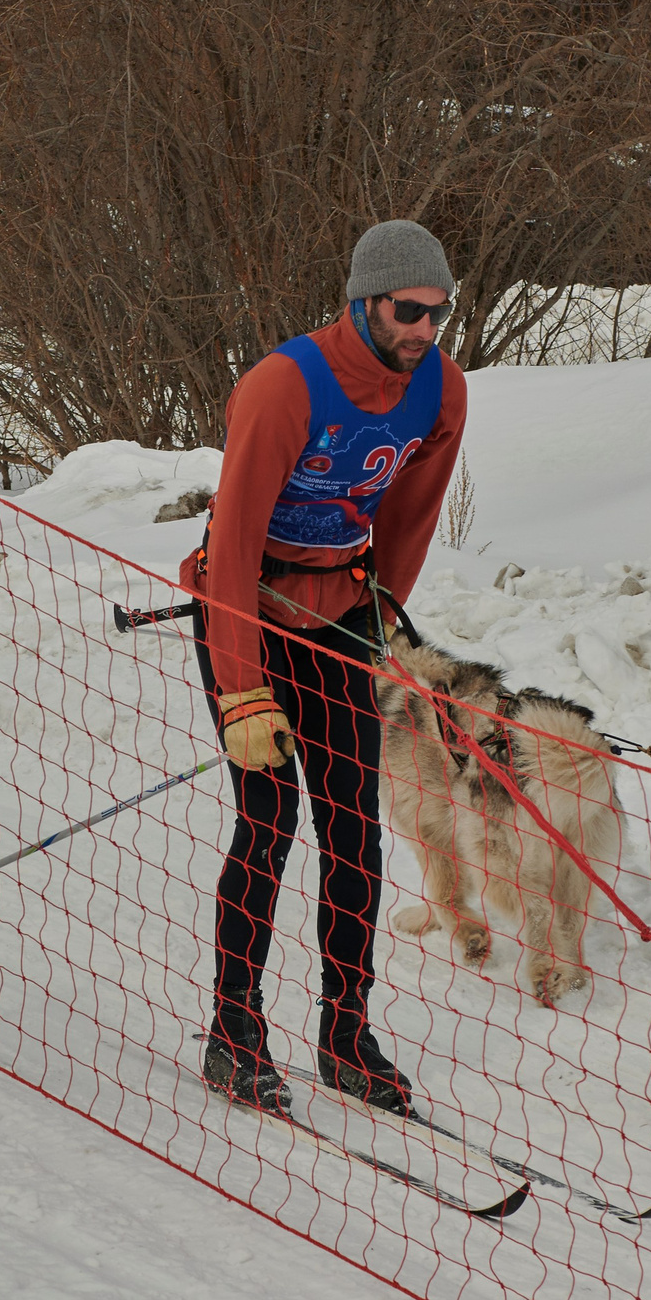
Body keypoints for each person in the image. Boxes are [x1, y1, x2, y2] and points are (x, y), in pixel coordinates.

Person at [187, 221, 468, 1116]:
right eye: (408, 310)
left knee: (354, 827)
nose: (425, 328)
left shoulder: (440, 392)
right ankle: (236, 1031)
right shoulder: (284, 386)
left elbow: (408, 521)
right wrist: (240, 686)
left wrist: (379, 622)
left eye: (439, 311)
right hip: (250, 609)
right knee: (268, 822)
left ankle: (345, 1030)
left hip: (339, 618)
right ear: (365, 299)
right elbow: (229, 542)